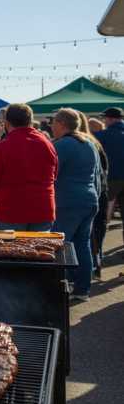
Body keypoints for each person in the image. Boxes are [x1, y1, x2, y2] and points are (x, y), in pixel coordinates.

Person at [0, 104, 57, 230]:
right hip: (43, 210)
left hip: (11, 213)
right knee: (41, 249)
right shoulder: (48, 144)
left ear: (7, 124)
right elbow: (54, 175)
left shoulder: (1, 148)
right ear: (30, 122)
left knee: (9, 249)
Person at [51, 108, 100, 302]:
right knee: (82, 244)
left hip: (68, 201)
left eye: (54, 122)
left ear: (62, 124)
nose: (51, 126)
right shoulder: (89, 143)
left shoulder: (62, 145)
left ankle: (57, 289)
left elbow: (51, 174)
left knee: (60, 246)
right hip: (89, 199)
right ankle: (83, 289)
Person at [78, 112, 108, 279]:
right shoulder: (94, 143)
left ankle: (89, 272)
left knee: (88, 238)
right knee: (92, 237)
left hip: (92, 193)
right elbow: (104, 170)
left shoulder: (86, 143)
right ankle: (94, 269)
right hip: (97, 193)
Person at [97, 107, 124, 238]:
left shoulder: (101, 136)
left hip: (111, 178)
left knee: (103, 215)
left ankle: (98, 248)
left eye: (105, 118)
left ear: (111, 119)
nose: (104, 121)